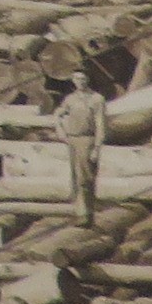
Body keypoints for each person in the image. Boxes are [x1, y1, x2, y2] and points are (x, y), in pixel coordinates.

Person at [58, 74, 110, 224]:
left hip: (88, 139)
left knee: (86, 178)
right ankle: (79, 212)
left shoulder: (96, 99)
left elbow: (100, 124)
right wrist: (60, 130)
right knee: (75, 178)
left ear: (88, 80)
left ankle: (88, 213)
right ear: (73, 80)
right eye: (77, 79)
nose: (80, 82)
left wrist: (97, 147)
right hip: (73, 139)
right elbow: (59, 114)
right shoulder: (70, 99)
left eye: (83, 78)